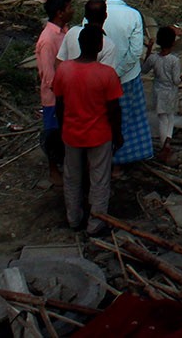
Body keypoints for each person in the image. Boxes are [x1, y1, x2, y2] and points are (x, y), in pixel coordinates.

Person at [55, 23, 124, 235]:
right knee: (99, 180)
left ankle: (73, 218)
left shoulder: (64, 70)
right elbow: (114, 109)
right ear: (100, 46)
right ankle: (96, 223)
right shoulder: (107, 74)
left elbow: (59, 104)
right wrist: (117, 134)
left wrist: (62, 128)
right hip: (99, 134)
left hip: (71, 133)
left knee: (72, 177)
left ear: (79, 43)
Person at [101, 0, 154, 166]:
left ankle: (103, 160)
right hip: (127, 78)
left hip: (101, 79)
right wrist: (118, 72)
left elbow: (88, 44)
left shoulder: (94, 12)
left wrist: (107, 73)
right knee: (130, 119)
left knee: (104, 119)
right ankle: (124, 159)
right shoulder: (133, 15)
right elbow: (135, 52)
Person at [35, 0, 73, 186]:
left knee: (64, 132)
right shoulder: (48, 40)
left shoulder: (64, 31)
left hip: (65, 93)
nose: (72, 11)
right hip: (54, 97)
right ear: (60, 13)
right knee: (52, 134)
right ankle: (53, 170)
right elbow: (49, 77)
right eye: (69, 8)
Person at [150, 26, 182, 163]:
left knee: (162, 119)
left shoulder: (154, 58)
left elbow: (144, 70)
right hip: (171, 93)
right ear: (173, 42)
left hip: (159, 92)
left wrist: (148, 51)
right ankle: (167, 143)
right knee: (170, 118)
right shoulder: (175, 60)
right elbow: (176, 80)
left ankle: (164, 145)